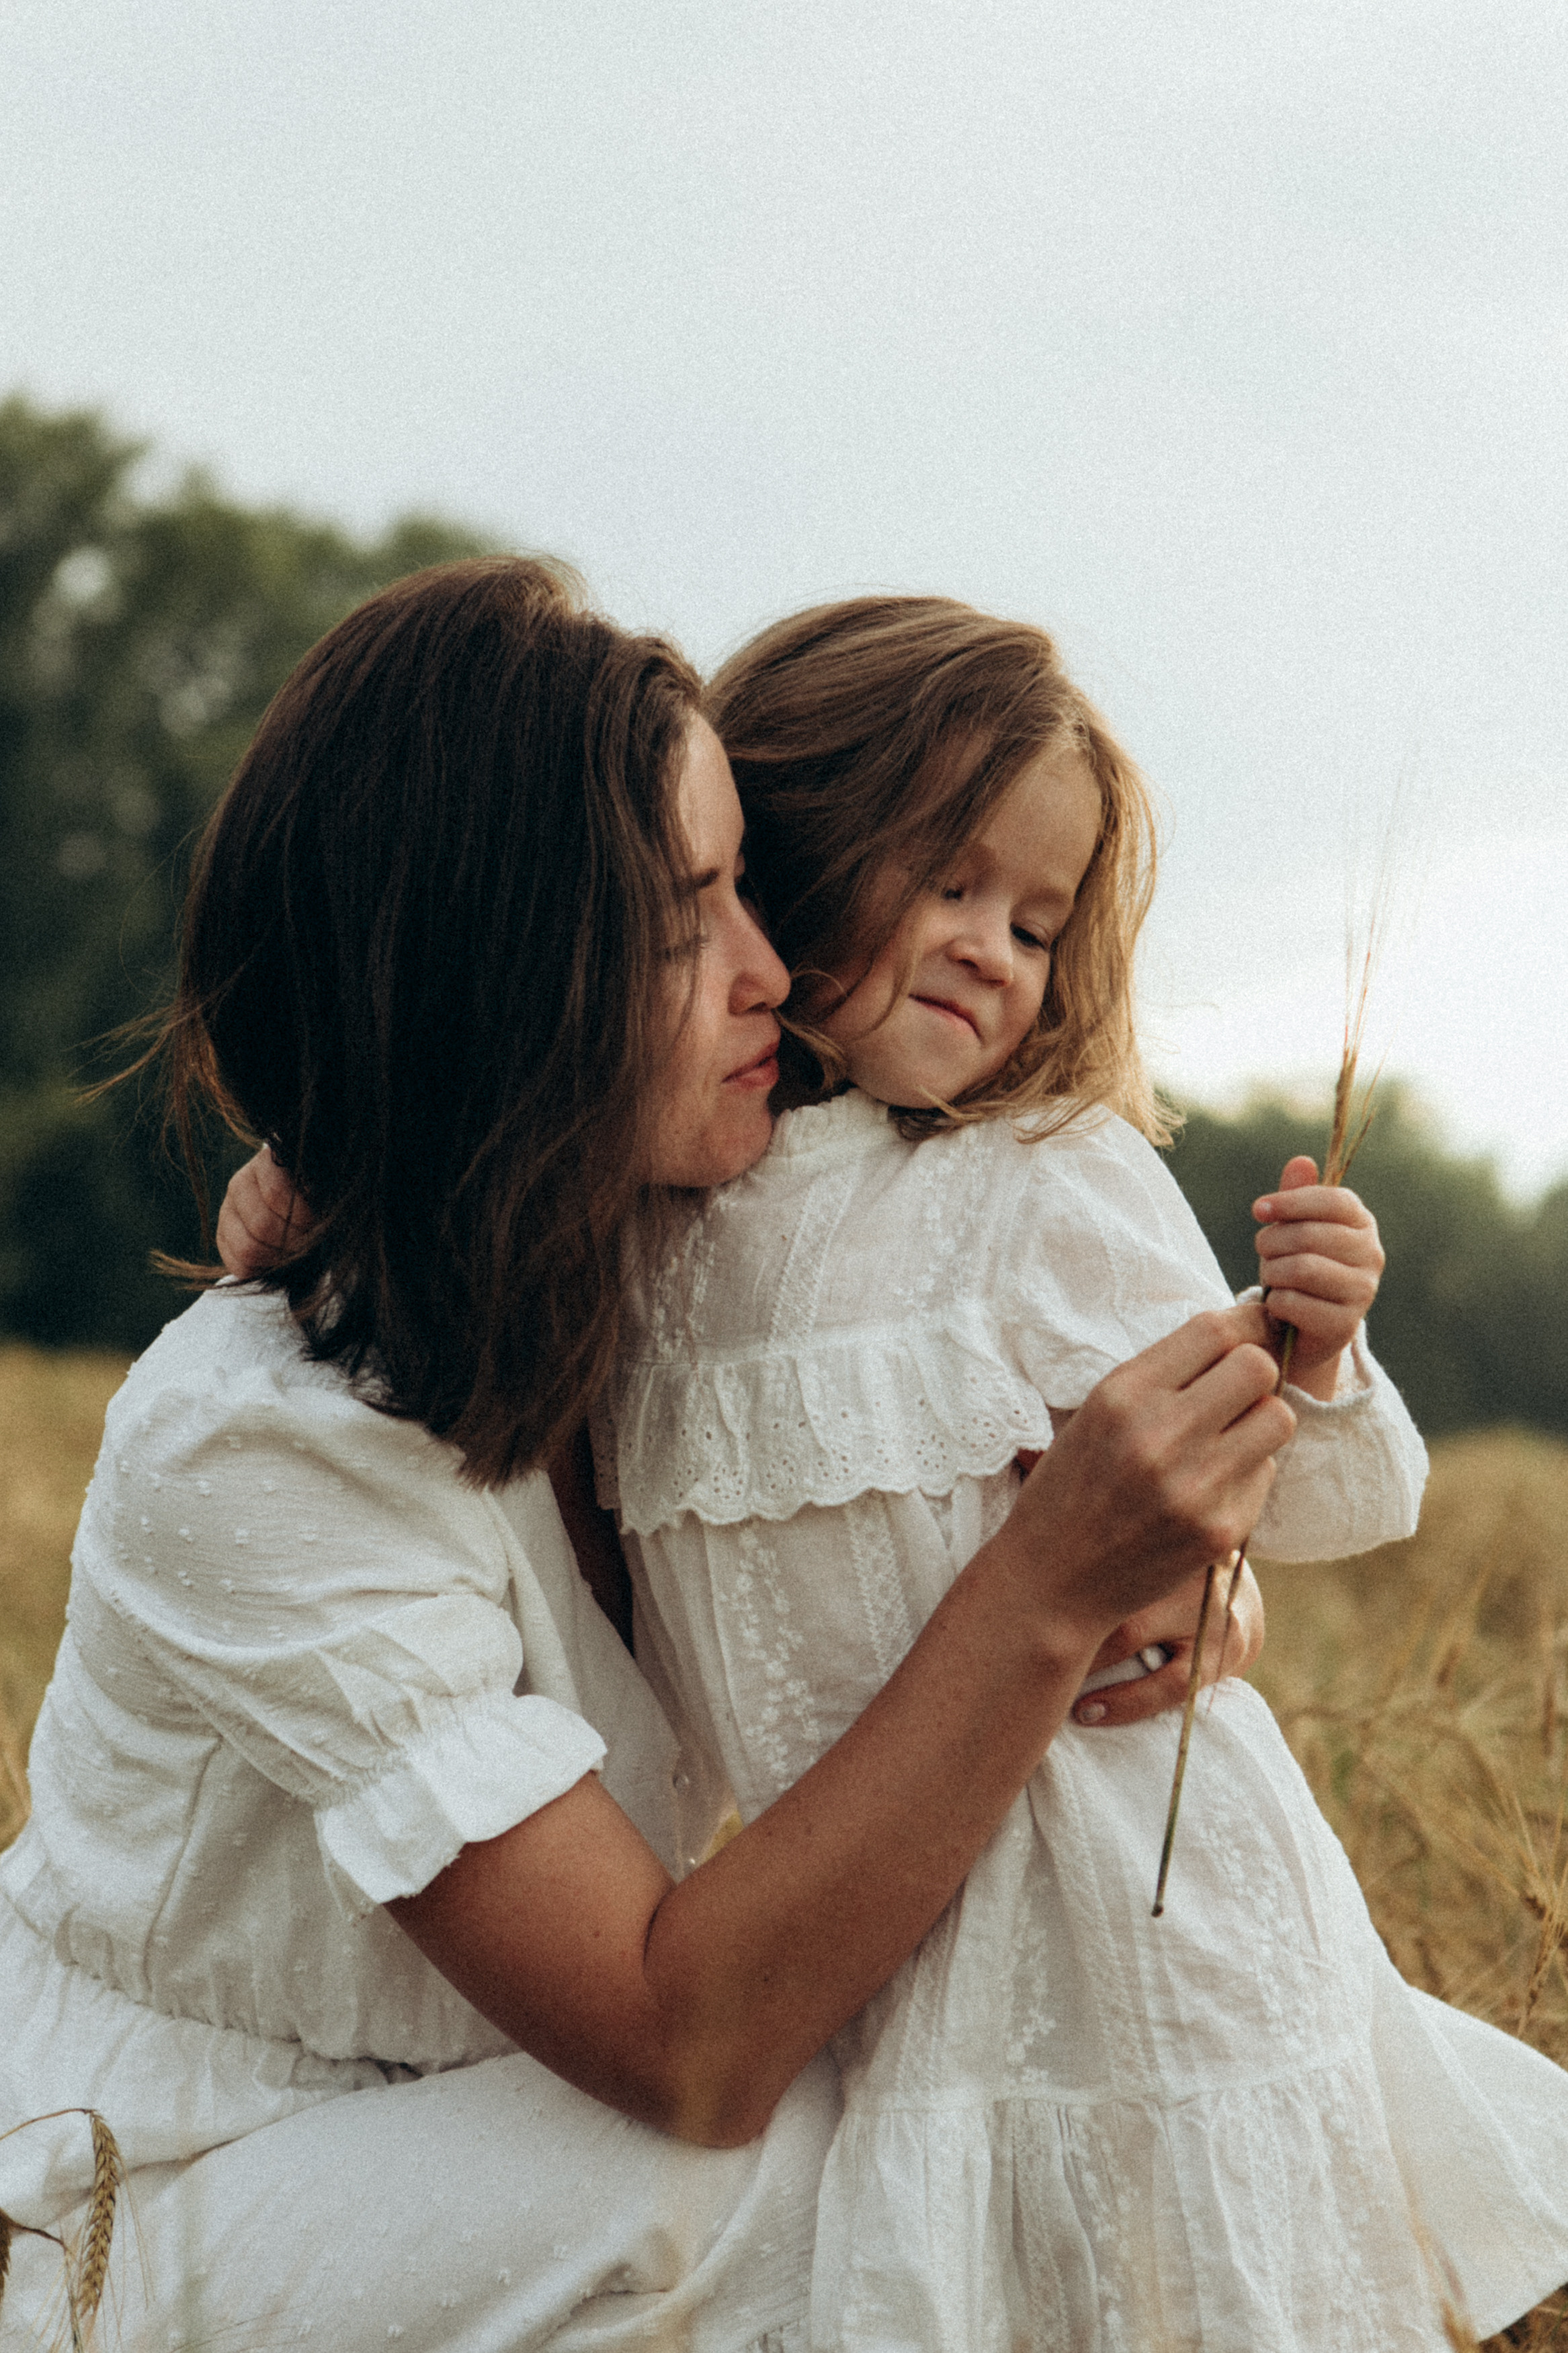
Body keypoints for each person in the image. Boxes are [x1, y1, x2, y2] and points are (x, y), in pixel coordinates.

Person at [0, 558, 1292, 2353]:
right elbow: (688, 2043)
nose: (771, 969)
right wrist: (1045, 1583)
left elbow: (1000, 1540)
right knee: (817, 2171)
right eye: (692, 915)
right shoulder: (260, 1444)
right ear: (516, 965)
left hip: (497, 2127)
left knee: (1002, 2089)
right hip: (178, 2172)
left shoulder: (691, 1276)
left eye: (752, 884)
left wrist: (1162, 1597)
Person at [587, 597, 1568, 2350]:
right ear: (796, 834)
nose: (995, 948)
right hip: (879, 1970)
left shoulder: (1044, 1181)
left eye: (1040, 922)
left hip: (1145, 1936)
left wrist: (1313, 1362)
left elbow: (1311, 1502)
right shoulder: (642, 1222)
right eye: (950, 880)